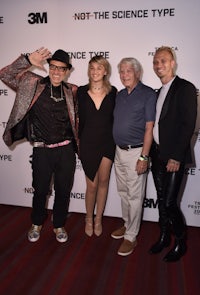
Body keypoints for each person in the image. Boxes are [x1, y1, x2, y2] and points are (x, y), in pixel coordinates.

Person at [0, 47, 79, 243]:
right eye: (53, 67)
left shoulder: (73, 91)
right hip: (42, 150)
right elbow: (5, 74)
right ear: (49, 67)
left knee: (63, 190)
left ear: (67, 71)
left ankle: (59, 224)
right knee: (41, 190)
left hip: (66, 150)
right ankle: (36, 223)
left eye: (61, 69)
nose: (56, 72)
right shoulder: (32, 83)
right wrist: (26, 60)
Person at [149, 46, 197, 262]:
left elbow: (188, 125)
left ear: (173, 63)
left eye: (163, 61)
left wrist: (176, 157)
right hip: (157, 155)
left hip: (173, 157)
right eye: (156, 61)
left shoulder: (185, 88)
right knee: (161, 200)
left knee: (169, 203)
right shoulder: (157, 92)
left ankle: (180, 241)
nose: (159, 65)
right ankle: (164, 236)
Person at [112, 57, 157, 256]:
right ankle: (126, 224)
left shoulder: (148, 94)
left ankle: (131, 236)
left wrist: (144, 157)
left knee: (135, 196)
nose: (124, 75)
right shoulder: (120, 94)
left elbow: (149, 127)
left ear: (137, 73)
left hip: (136, 153)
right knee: (123, 192)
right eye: (121, 71)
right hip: (118, 151)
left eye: (128, 71)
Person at [77, 55, 117, 237]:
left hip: (107, 143)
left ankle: (98, 219)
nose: (95, 72)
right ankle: (88, 218)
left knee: (103, 182)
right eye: (92, 68)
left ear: (105, 71)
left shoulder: (113, 92)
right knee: (91, 186)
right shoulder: (80, 92)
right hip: (87, 143)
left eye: (99, 68)